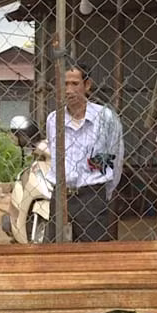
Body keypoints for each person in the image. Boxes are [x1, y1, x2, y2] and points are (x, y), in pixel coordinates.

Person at [45, 62, 124, 242]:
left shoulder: (105, 118)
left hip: (92, 195)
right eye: (64, 84)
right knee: (55, 252)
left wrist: (103, 191)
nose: (69, 90)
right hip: (61, 195)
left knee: (95, 254)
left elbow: (114, 159)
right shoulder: (53, 120)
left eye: (74, 84)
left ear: (87, 85)